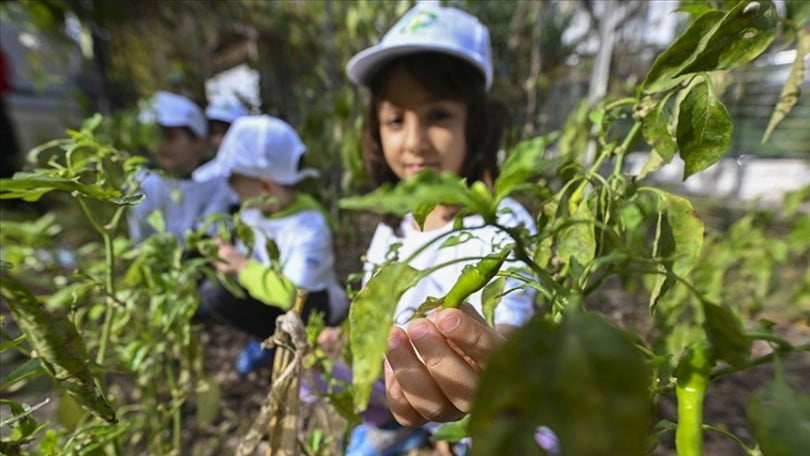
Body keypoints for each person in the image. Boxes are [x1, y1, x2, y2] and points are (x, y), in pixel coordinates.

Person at [343, 3, 537, 453]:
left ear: (477, 121)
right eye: (396, 119)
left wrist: (493, 360)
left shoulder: (502, 224)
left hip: (479, 407)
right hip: (402, 396)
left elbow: (512, 323)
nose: (413, 141)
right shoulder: (392, 227)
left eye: (439, 116)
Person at [192, 115, 348, 374]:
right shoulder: (252, 213)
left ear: (265, 186)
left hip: (310, 305)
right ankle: (275, 342)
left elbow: (293, 294)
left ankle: (299, 345)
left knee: (306, 304)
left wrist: (241, 266)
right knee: (216, 292)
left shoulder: (309, 226)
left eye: (234, 180)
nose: (231, 187)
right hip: (272, 297)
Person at [129, 91, 236, 243]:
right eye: (155, 137)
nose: (161, 146)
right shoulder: (143, 185)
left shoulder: (220, 186)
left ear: (199, 141)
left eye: (171, 137)